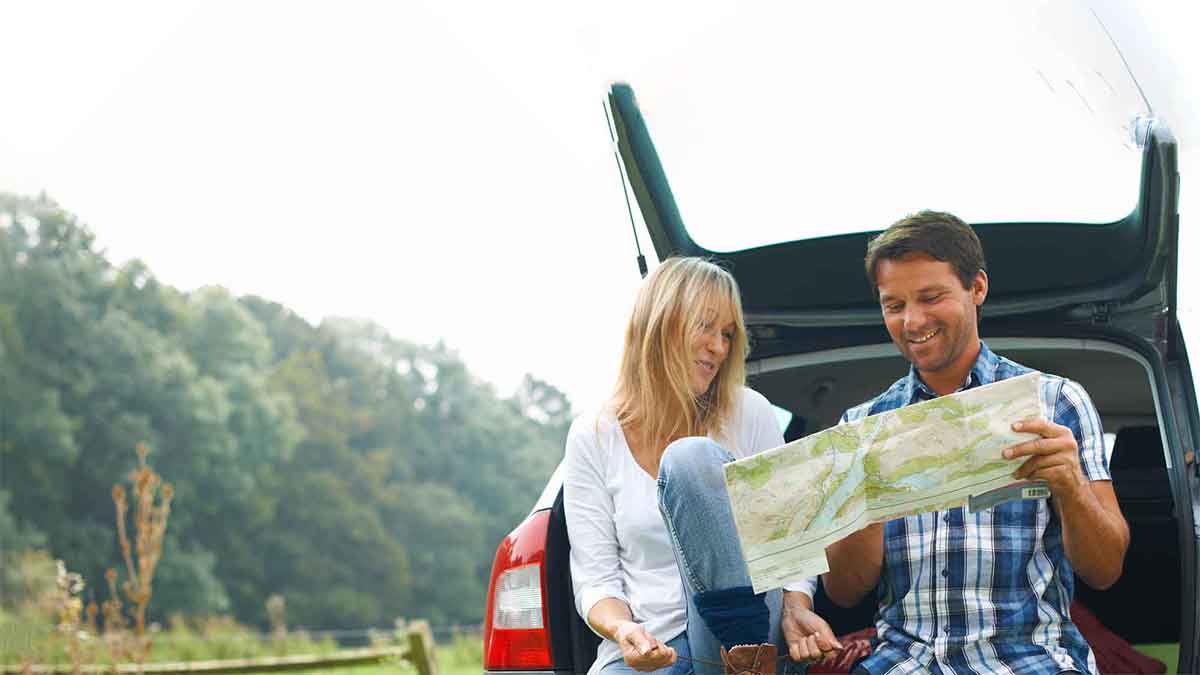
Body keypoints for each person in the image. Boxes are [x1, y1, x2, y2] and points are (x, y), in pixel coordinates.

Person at [821, 211, 1131, 674]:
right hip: (902, 662)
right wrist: (869, 503)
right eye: (894, 305)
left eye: (931, 297)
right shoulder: (862, 425)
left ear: (977, 288)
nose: (912, 320)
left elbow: (1105, 570)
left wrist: (1071, 488)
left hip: (1030, 660)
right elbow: (844, 592)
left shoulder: (1056, 402)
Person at [564, 257, 837, 675]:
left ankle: (745, 661)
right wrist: (624, 631)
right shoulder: (593, 436)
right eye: (706, 326)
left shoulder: (749, 412)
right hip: (656, 648)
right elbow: (596, 580)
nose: (719, 347)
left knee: (690, 459)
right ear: (660, 324)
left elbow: (793, 545)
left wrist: (795, 606)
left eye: (727, 334)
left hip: (751, 642)